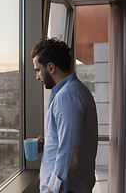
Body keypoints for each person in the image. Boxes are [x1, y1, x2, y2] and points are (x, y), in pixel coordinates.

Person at [31, 38, 98, 193]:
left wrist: (51, 190)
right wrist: (49, 142)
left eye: (38, 70)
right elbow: (70, 141)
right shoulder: (72, 92)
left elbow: (70, 153)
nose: (37, 77)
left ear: (51, 67)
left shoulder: (66, 97)